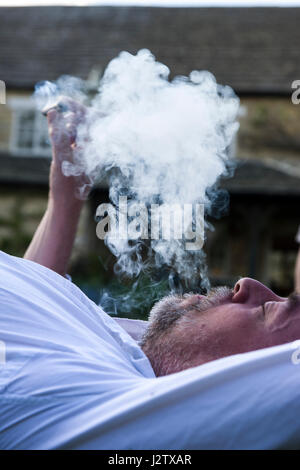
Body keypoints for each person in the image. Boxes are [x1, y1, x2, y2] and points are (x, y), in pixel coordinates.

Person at [1, 98, 300, 449]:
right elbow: (42, 311)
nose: (246, 284)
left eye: (269, 310)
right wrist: (68, 192)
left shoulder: (123, 407)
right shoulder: (123, 357)